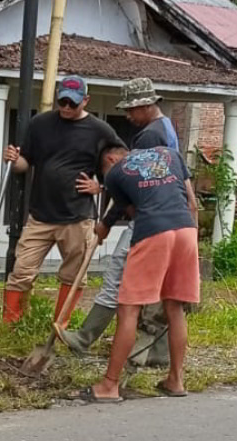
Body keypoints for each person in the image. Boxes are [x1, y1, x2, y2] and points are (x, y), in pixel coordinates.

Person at [56, 78, 182, 367]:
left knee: (117, 276)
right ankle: (159, 352)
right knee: (161, 286)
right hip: (170, 219)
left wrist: (107, 222)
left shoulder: (149, 137)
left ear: (145, 105)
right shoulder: (167, 128)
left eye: (130, 109)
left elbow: (134, 187)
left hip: (146, 219)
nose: (127, 116)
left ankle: (85, 337)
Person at [74, 145, 199, 402]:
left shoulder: (115, 173)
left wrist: (104, 227)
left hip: (154, 231)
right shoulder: (169, 154)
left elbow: (133, 213)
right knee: (174, 307)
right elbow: (192, 203)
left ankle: (109, 386)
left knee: (128, 309)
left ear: (110, 159)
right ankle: (175, 380)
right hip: (187, 230)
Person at [2, 75, 126, 326]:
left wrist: (101, 186)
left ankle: (60, 327)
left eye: (73, 103)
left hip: (77, 217)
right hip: (40, 215)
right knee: (21, 271)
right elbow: (25, 163)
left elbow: (123, 163)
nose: (67, 107)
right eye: (63, 102)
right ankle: (10, 326)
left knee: (73, 276)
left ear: (86, 100)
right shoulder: (40, 123)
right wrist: (14, 161)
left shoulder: (100, 130)